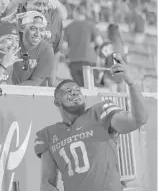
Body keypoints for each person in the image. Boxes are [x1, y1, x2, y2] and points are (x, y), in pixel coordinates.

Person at [34, 54, 148, 191]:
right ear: (57, 101)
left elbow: (139, 119)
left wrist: (131, 82)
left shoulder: (100, 113)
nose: (75, 93)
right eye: (68, 91)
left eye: (78, 90)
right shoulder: (48, 135)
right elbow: (47, 184)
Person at [19, 0, 67, 86]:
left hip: (40, 83)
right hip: (14, 82)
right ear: (26, 4)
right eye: (37, 4)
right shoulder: (16, 17)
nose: (41, 9)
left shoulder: (55, 21)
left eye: (44, 4)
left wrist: (52, 83)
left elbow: (56, 52)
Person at [63, 5, 103, 87]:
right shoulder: (90, 25)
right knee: (90, 88)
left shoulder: (68, 27)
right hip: (88, 61)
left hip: (73, 61)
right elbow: (99, 41)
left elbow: (64, 46)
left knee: (80, 89)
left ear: (76, 13)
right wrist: (92, 44)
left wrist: (66, 58)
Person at [12, 11, 55, 86]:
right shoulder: (12, 41)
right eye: (33, 28)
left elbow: (36, 81)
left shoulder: (46, 49)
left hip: (33, 94)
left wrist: (11, 91)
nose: (37, 34)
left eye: (41, 30)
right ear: (22, 28)